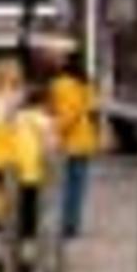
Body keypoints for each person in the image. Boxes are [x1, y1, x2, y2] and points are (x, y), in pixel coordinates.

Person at [32, 35, 104, 239]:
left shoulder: (62, 83)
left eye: (54, 56)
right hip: (84, 139)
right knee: (77, 185)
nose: (50, 59)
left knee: (66, 185)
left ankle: (67, 223)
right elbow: (90, 107)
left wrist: (51, 129)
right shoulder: (83, 82)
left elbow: (67, 114)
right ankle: (71, 221)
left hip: (69, 141)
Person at [0, 57, 53, 238]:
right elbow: (7, 121)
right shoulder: (3, 100)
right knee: (13, 189)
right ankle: (9, 223)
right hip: (7, 155)